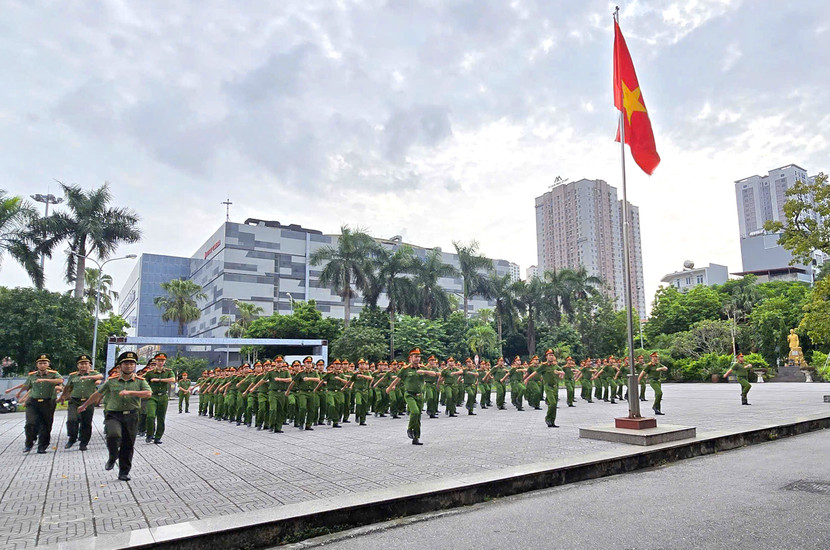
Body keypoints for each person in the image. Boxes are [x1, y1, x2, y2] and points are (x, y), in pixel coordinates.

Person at [78, 351, 152, 481]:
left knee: (127, 445)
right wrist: (84, 405)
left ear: (135, 366)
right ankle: (113, 456)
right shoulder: (111, 382)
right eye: (126, 364)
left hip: (132, 415)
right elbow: (98, 394)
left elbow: (148, 393)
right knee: (113, 435)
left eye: (131, 364)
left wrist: (130, 392)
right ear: (120, 366)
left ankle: (123, 471)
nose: (129, 366)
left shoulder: (140, 381)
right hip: (113, 415)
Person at [387, 348, 438, 445]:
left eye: (419, 357)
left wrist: (424, 372)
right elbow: (397, 379)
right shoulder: (405, 369)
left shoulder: (422, 368)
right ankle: (410, 428)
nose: (417, 358)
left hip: (420, 396)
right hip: (409, 394)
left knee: (417, 417)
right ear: (410, 358)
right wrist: (389, 387)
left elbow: (434, 374)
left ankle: (416, 438)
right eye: (415, 356)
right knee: (415, 412)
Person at [19, 354, 63, 453]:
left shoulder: (54, 374)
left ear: (48, 364)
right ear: (37, 364)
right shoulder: (32, 375)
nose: (42, 365)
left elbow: (60, 380)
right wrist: (19, 394)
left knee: (46, 425)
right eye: (40, 363)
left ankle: (42, 446)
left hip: (48, 402)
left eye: (44, 363)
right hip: (33, 402)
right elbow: (26, 386)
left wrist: (45, 380)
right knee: (30, 423)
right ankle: (29, 444)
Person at [58, 354, 102, 450]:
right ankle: (72, 438)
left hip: (88, 401)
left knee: (86, 423)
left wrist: (88, 377)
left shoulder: (93, 374)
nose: (83, 366)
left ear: (89, 365)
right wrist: (63, 396)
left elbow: (101, 376)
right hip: (74, 401)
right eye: (81, 364)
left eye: (86, 363)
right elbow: (67, 387)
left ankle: (83, 443)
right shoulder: (73, 376)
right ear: (78, 366)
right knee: (71, 420)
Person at [525, 349, 564, 427]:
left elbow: (562, 374)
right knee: (552, 403)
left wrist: (560, 373)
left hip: (555, 387)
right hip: (548, 386)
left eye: (552, 355)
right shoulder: (543, 366)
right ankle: (548, 419)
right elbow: (535, 373)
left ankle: (552, 421)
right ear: (546, 356)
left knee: (554, 405)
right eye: (549, 355)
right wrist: (527, 379)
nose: (551, 357)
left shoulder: (556, 366)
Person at [145, 352, 175, 443]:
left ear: (165, 361)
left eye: (162, 360)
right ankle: (150, 434)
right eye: (159, 360)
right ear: (155, 361)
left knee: (161, 418)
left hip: (163, 396)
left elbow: (172, 380)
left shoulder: (169, 372)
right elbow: (145, 384)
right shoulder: (150, 373)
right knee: (150, 416)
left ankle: (158, 437)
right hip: (152, 396)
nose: (160, 362)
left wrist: (159, 380)